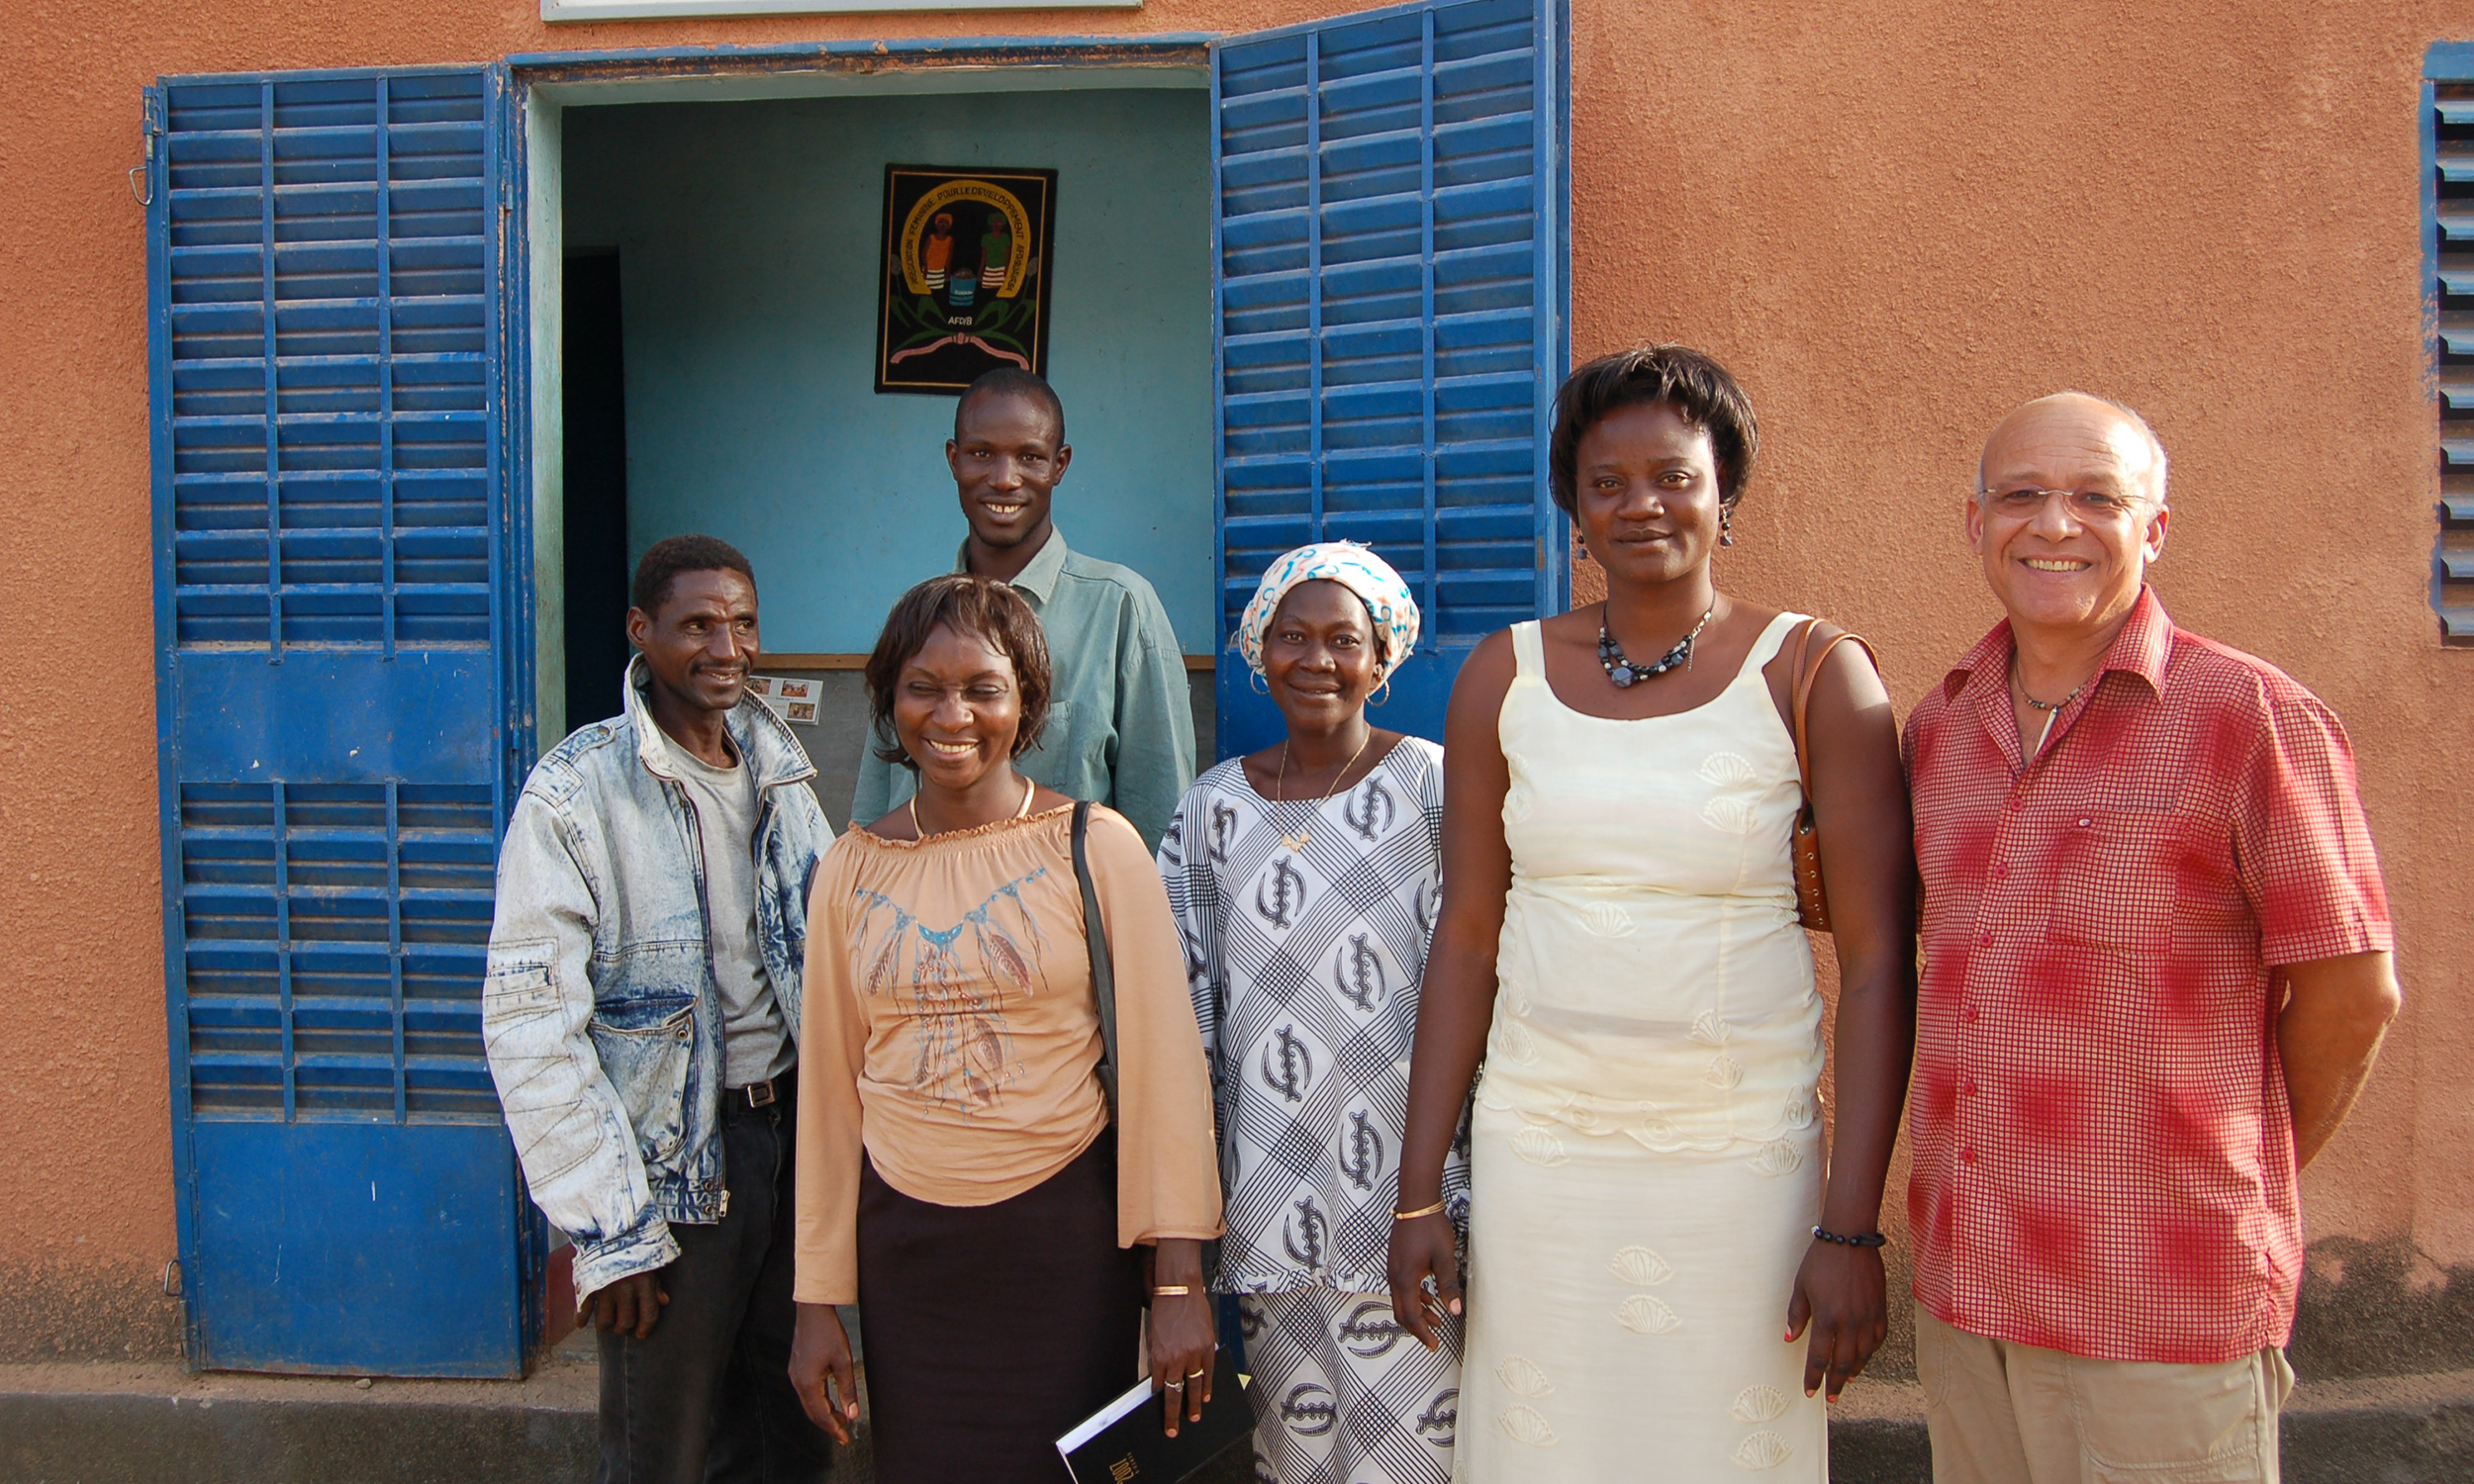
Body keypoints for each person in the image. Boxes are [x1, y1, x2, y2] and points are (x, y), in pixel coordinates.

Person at [1385, 345, 1919, 1481]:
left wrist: (1850, 1224)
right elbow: (1469, 935)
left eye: (1674, 474)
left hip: (1738, 1166)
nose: (1642, 504)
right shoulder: (1504, 675)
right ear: (1572, 507)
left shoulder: (1814, 672)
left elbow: (1877, 963)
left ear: (1725, 489)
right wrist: (1419, 1188)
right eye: (1605, 482)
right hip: (1543, 1157)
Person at [1902, 393, 2401, 1484]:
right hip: (1967, 1289)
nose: (2054, 525)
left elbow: (2351, 993)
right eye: (2021, 496)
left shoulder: (2248, 716)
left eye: (2096, 498)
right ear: (1974, 522)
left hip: (2156, 1299)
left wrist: (2208, 1174)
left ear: (2154, 528)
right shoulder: (1941, 727)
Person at [787, 575, 1223, 1482]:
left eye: (983, 688)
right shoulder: (849, 871)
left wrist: (1178, 1282)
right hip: (906, 1252)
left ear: (1025, 702)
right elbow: (828, 1098)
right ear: (887, 701)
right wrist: (817, 1300)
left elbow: (1164, 1071)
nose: (953, 714)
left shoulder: (1096, 845)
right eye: (923, 687)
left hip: (1063, 1242)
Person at [482, 535, 837, 1484]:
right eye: (699, 625)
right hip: (672, 1176)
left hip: (790, 1145)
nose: (728, 647)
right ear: (643, 632)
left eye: (744, 623)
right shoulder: (575, 791)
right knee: (661, 1454)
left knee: (787, 1434)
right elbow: (531, 1023)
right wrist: (612, 1232)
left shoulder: (781, 773)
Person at [1159, 543, 1468, 1484]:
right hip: (1267, 1209)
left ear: (1384, 659)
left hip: (1411, 1211)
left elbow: (1484, 989)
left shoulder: (1434, 789)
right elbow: (1183, 1020)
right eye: (1293, 636)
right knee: (1295, 1463)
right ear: (1260, 651)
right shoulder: (1211, 809)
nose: (1317, 659)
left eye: (1345, 639)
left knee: (1422, 1462)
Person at [849, 368, 1196, 849]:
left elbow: (1160, 815)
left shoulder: (1119, 607)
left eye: (1030, 457)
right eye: (981, 454)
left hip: (1062, 914)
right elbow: (880, 797)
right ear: (954, 459)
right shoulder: (915, 615)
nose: (1004, 479)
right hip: (918, 909)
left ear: (1060, 465)